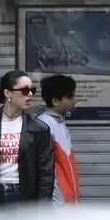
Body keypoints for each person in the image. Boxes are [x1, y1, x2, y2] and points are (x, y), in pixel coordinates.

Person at [0, 69, 56, 209]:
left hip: (25, 196)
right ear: (8, 93)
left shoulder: (39, 129)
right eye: (24, 90)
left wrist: (42, 208)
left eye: (32, 90)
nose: (30, 94)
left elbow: (46, 174)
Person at [36, 74, 81, 205]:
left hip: (66, 199)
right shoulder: (45, 125)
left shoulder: (59, 122)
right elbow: (47, 169)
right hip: (58, 202)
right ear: (55, 101)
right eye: (70, 96)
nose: (75, 100)